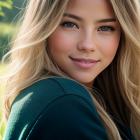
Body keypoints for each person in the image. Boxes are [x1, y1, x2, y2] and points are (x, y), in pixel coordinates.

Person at [1, 0, 140, 139]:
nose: (88, 45)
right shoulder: (64, 103)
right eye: (70, 24)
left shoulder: (111, 104)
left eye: (105, 28)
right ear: (43, 27)